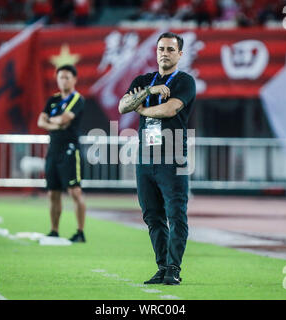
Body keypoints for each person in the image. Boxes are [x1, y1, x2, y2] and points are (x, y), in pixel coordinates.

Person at [118, 32, 196, 285]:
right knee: (152, 215)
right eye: (161, 48)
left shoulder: (184, 81)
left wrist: (142, 108)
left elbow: (170, 108)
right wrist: (149, 91)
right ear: (156, 51)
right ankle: (162, 266)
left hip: (173, 156)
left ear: (180, 54)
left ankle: (174, 267)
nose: (165, 53)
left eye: (171, 49)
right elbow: (122, 106)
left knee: (176, 214)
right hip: (145, 157)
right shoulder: (144, 80)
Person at [37, 64, 87, 243]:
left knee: (75, 191)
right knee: (53, 192)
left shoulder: (77, 99)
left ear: (74, 79)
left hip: (70, 150)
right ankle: (54, 230)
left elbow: (65, 120)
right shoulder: (53, 99)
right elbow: (40, 122)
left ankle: (80, 232)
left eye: (66, 77)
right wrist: (54, 123)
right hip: (53, 150)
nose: (63, 80)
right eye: (60, 77)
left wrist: (52, 121)